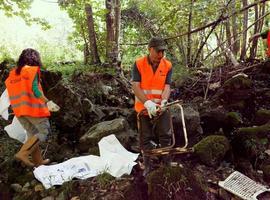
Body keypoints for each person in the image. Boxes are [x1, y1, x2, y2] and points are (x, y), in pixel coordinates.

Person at [5, 48, 60, 167]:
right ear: (35, 59)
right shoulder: (31, 71)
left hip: (19, 111)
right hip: (31, 109)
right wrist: (48, 102)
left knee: (32, 133)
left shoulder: (13, 74)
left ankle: (38, 162)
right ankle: (23, 153)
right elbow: (35, 90)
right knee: (44, 130)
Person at [131, 37, 173, 176]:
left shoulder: (167, 65)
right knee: (145, 138)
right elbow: (136, 87)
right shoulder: (138, 64)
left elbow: (167, 87)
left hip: (161, 107)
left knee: (166, 135)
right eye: (158, 51)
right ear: (150, 49)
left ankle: (166, 164)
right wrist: (147, 103)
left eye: (163, 51)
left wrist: (164, 101)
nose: (161, 55)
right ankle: (148, 166)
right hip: (143, 108)